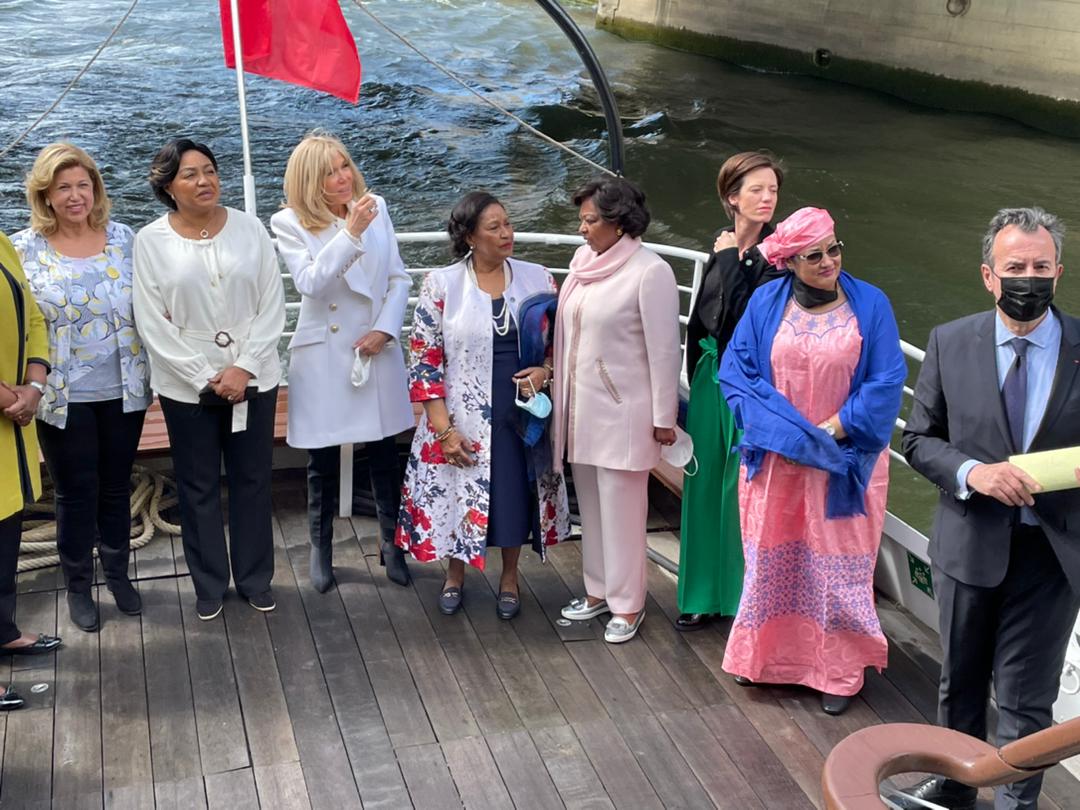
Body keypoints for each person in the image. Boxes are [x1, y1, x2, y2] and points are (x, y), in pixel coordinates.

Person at [900, 207, 1080, 810]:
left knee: (1029, 699)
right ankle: (954, 786)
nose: (1029, 278)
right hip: (969, 542)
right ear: (988, 275)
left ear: (1058, 272)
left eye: (1041, 267)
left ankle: (1015, 803)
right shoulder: (950, 342)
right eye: (1015, 267)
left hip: (1053, 554)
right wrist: (973, 473)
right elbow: (919, 440)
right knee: (961, 682)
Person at [719, 207, 906, 714]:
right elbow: (737, 372)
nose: (828, 261)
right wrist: (787, 436)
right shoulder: (765, 301)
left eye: (833, 249)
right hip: (777, 461)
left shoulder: (871, 304)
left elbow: (887, 382)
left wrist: (827, 433)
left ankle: (837, 672)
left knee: (838, 570)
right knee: (770, 562)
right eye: (814, 255)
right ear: (789, 263)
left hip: (843, 462)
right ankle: (765, 659)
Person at [396, 191, 569, 619]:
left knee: (515, 493)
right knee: (460, 489)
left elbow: (561, 345)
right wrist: (444, 430)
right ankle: (454, 575)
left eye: (507, 224)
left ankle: (510, 578)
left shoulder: (538, 278)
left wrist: (545, 371)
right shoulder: (442, 284)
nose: (507, 233)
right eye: (494, 227)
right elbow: (424, 360)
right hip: (461, 412)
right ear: (471, 237)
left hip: (522, 410)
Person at [133, 138, 285, 621]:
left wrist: (244, 366)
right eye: (190, 174)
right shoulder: (150, 241)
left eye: (210, 170)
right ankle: (209, 583)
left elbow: (272, 303)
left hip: (254, 377)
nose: (205, 181)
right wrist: (204, 375)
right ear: (168, 187)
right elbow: (152, 321)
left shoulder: (250, 228)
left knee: (252, 480)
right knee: (197, 484)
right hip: (186, 386)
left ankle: (256, 578)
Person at [12, 143, 151, 633]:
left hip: (125, 387)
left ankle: (118, 575)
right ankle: (77, 586)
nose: (75, 196)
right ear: (45, 195)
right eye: (63, 188)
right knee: (75, 493)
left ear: (96, 189)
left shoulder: (125, 238)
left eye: (83, 185)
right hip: (60, 394)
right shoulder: (24, 248)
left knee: (115, 485)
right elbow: (17, 321)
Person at [270, 132, 413, 592]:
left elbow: (398, 278)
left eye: (344, 166)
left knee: (385, 452)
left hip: (376, 344)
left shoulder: (376, 207)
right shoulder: (289, 222)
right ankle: (321, 547)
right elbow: (311, 283)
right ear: (310, 182)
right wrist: (350, 233)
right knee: (323, 458)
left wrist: (385, 329)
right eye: (329, 173)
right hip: (326, 355)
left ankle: (392, 544)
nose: (342, 177)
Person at [553, 176, 681, 644]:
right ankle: (597, 590)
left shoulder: (650, 272)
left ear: (619, 223)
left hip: (624, 414)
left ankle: (628, 603)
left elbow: (665, 351)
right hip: (580, 411)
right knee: (590, 506)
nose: (582, 229)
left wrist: (663, 419)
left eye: (589, 220)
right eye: (582, 220)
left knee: (623, 514)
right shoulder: (582, 263)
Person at [678, 150, 785, 631]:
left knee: (739, 487)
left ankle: (742, 598)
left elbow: (741, 320)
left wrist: (727, 258)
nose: (767, 198)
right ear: (732, 197)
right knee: (702, 482)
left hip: (748, 384)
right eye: (756, 189)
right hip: (708, 376)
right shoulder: (721, 243)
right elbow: (703, 319)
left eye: (772, 190)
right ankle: (701, 594)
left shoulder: (777, 255)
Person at [0, 230, 63, 700]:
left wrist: (35, 384)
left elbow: (33, 317)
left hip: (12, 417)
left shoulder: (2, 242)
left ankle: (3, 630)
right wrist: (12, 398)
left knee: (5, 535)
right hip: (8, 407)